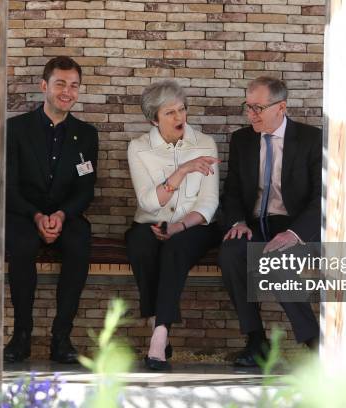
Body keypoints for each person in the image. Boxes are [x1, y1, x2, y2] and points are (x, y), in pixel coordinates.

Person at [218, 76, 321, 367]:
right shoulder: (242, 140)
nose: (251, 114)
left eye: (258, 108)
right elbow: (233, 190)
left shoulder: (311, 140)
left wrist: (294, 233)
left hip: (295, 225)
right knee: (231, 252)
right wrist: (237, 221)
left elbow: (322, 197)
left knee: (275, 259)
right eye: (248, 107)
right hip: (254, 224)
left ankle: (315, 343)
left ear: (282, 107)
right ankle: (255, 339)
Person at [5, 56, 98, 363]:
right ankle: (21, 336)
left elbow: (86, 189)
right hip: (23, 213)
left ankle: (62, 337)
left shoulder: (86, 134)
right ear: (44, 86)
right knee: (21, 245)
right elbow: (8, 186)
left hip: (66, 215)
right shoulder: (15, 129)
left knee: (79, 243)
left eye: (74, 86)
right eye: (60, 84)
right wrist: (35, 215)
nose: (67, 92)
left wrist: (60, 215)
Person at [126, 80, 221, 371]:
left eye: (182, 110)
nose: (180, 117)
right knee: (140, 244)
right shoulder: (139, 148)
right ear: (153, 118)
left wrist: (179, 226)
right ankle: (157, 323)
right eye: (170, 113)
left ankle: (159, 335)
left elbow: (209, 202)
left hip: (195, 227)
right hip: (151, 222)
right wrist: (181, 172)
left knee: (175, 248)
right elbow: (148, 203)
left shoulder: (205, 143)